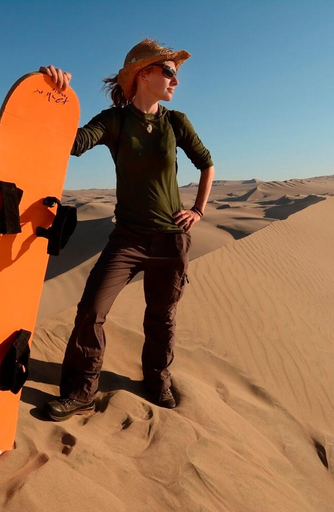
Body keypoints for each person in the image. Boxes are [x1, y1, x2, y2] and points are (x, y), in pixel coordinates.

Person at [40, 38, 215, 421]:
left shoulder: (176, 122)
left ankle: (156, 381)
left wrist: (198, 211)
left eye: (175, 74)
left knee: (161, 317)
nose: (176, 80)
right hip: (128, 239)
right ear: (143, 74)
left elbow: (206, 163)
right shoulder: (114, 121)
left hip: (171, 239)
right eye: (169, 72)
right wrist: (55, 95)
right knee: (91, 310)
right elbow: (74, 143)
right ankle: (81, 391)